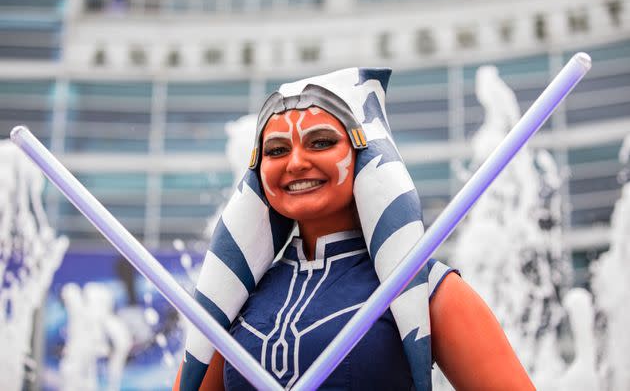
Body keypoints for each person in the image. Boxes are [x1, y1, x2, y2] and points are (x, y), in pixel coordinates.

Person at [174, 68, 534, 390]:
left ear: (367, 154)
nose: (296, 163)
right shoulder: (235, 302)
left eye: (321, 142)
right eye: (277, 150)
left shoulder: (430, 290)